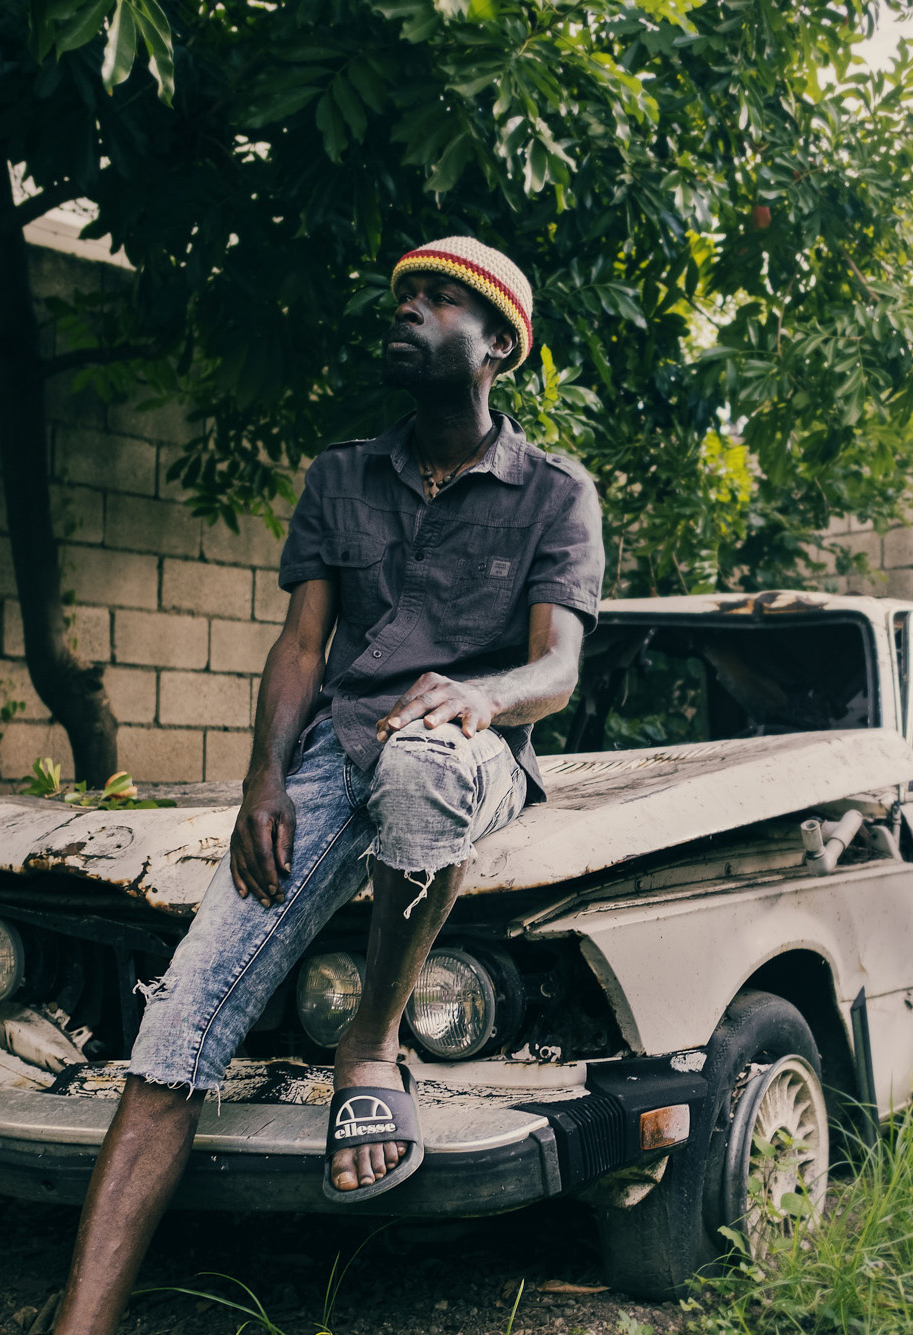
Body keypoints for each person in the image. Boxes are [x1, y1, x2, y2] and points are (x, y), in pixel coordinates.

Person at [52, 236, 604, 1335]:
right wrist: (263, 784)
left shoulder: (554, 493)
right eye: (403, 299)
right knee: (177, 1033)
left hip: (465, 748)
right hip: (327, 757)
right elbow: (301, 646)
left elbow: (559, 669)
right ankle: (82, 1324)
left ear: (497, 345)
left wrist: (483, 697)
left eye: (439, 302)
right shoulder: (340, 474)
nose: (407, 314)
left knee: (422, 766)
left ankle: (372, 1042)